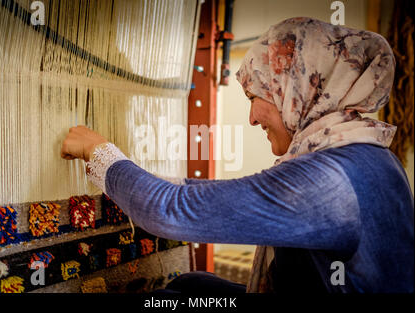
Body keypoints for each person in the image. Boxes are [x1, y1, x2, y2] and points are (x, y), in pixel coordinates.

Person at [60, 17, 414, 293]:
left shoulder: (327, 180)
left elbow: (168, 210)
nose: (252, 117)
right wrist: (143, 179)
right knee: (190, 287)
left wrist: (99, 152)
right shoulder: (372, 156)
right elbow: (222, 197)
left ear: (295, 90)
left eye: (255, 98)